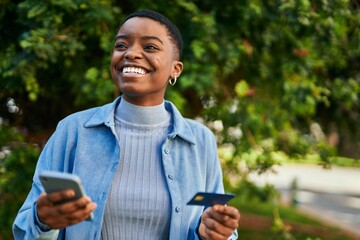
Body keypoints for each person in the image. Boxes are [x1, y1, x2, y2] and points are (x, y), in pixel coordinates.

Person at [13, 9, 240, 240]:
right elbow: (25, 230)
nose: (131, 53)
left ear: (175, 69)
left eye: (150, 47)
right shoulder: (73, 131)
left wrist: (212, 234)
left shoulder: (200, 141)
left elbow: (220, 227)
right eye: (121, 46)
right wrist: (43, 222)